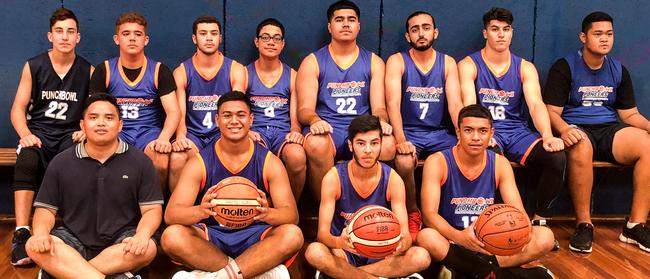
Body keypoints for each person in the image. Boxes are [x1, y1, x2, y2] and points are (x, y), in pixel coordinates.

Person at [161, 91, 303, 279]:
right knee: (171, 237)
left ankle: (216, 276)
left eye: (241, 115)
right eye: (227, 115)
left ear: (251, 119)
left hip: (255, 234)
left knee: (293, 235)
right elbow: (172, 214)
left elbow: (291, 215)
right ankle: (252, 272)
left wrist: (268, 213)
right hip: (213, 236)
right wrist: (201, 211)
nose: (234, 121)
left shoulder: (269, 162)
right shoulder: (200, 162)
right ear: (217, 120)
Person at [543, 11, 650, 253]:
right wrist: (563, 129)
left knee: (647, 145)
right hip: (576, 127)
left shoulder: (618, 70)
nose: (605, 39)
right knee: (581, 145)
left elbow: (629, 114)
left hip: (609, 129)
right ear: (583, 37)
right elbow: (550, 111)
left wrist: (648, 126)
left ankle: (635, 225)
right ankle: (584, 224)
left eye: (609, 34)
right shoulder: (565, 67)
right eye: (598, 34)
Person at [26, 93, 163, 279]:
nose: (101, 123)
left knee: (148, 248)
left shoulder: (141, 162)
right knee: (33, 245)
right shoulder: (61, 162)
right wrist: (41, 234)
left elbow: (152, 210)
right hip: (73, 238)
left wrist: (142, 235)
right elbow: (45, 210)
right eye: (93, 117)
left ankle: (68, 272)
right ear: (82, 125)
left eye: (109, 118)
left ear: (120, 125)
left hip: (120, 242)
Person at [458, 7, 566, 230]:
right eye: (495, 29)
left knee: (556, 158)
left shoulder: (524, 67)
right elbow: (470, 106)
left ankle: (538, 218)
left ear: (512, 32)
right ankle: (497, 225)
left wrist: (547, 135)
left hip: (517, 132)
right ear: (485, 33)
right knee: (489, 160)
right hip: (486, 130)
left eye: (506, 29)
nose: (501, 34)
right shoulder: (469, 64)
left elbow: (536, 104)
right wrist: (482, 133)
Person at [419, 104, 555, 278]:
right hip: (451, 240)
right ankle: (500, 275)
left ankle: (468, 271)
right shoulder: (438, 162)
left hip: (489, 244)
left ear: (491, 134)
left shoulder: (500, 163)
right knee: (426, 237)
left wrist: (520, 233)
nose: (476, 137)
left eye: (482, 131)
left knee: (545, 237)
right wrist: (461, 237)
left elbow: (518, 212)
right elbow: (429, 215)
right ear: (458, 132)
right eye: (468, 130)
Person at [9, 7, 93, 266]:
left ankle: (72, 230)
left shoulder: (88, 70)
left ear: (78, 37)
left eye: (70, 32)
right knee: (27, 160)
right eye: (59, 31)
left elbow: (94, 108)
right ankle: (22, 233)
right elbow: (17, 109)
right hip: (40, 134)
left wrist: (86, 130)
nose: (65, 37)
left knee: (77, 160)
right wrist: (25, 134)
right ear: (50, 36)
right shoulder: (34, 66)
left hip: (71, 135)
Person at [304, 115, 430, 279]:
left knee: (421, 256)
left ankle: (349, 276)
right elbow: (322, 234)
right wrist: (338, 242)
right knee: (314, 252)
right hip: (346, 252)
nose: (368, 150)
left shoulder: (393, 180)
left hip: (382, 254)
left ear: (381, 144)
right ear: (350, 145)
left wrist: (398, 245)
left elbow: (405, 236)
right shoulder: (333, 178)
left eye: (374, 143)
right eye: (361, 143)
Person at [297, 0, 395, 202]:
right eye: (339, 20)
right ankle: (326, 208)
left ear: (358, 26)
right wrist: (315, 120)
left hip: (361, 127)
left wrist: (382, 121)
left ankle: (374, 207)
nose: (346, 24)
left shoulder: (374, 62)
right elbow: (304, 109)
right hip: (329, 128)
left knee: (387, 145)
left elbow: (379, 107)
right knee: (316, 144)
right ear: (329, 26)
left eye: (351, 20)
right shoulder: (313, 61)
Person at [385, 11, 463, 240]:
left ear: (435, 32)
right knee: (403, 161)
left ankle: (447, 215)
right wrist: (400, 140)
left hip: (438, 133)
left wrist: (461, 133)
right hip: (409, 132)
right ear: (408, 36)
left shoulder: (447, 62)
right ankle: (412, 212)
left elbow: (455, 103)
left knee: (464, 154)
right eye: (415, 29)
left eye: (426, 28)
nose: (421, 33)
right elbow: (393, 103)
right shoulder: (397, 61)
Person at [89, 11, 180, 191]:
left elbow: (173, 111)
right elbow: (93, 109)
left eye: (138, 34)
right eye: (126, 34)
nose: (132, 39)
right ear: (116, 39)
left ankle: (155, 206)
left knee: (160, 158)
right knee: (98, 154)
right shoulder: (104, 69)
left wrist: (163, 138)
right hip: (117, 131)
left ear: (146, 40)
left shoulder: (159, 70)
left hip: (148, 132)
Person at [169, 15, 246, 191]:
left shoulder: (235, 69)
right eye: (203, 33)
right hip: (194, 135)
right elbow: (179, 112)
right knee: (177, 158)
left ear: (220, 37)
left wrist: (228, 137)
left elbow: (237, 108)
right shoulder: (182, 71)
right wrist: (181, 136)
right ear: (194, 38)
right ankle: (180, 212)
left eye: (214, 33)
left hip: (223, 133)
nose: (209, 38)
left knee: (234, 153)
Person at [246, 18, 306, 200]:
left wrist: (295, 131)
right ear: (256, 42)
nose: (271, 42)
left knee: (296, 156)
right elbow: (237, 107)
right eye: (265, 37)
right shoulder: (244, 73)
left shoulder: (293, 75)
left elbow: (295, 120)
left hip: (282, 133)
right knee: (252, 152)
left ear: (282, 44)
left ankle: (289, 207)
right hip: (255, 131)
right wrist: (246, 130)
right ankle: (254, 206)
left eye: (276, 38)